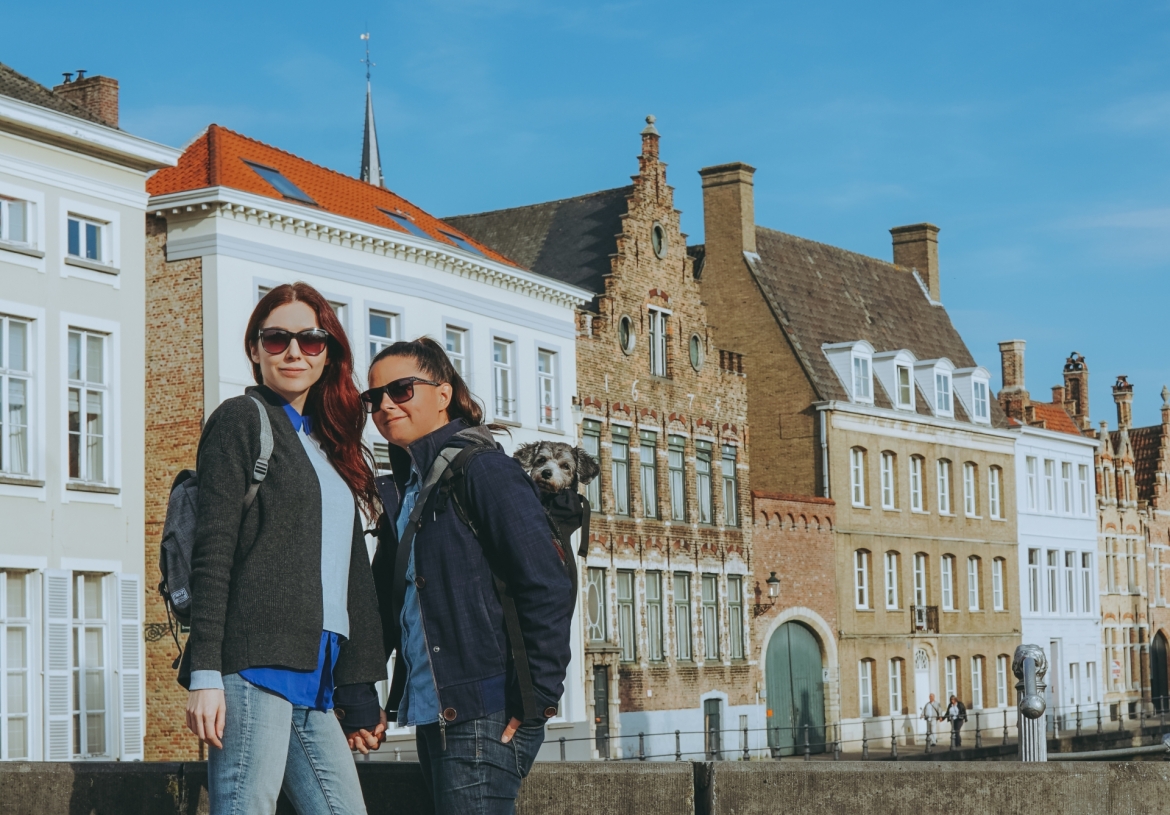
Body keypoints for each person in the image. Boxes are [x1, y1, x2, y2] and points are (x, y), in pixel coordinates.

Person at [184, 283, 387, 815]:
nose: (294, 352)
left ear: (328, 353)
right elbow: (214, 551)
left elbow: (352, 575)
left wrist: (359, 684)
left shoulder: (328, 443)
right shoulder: (241, 419)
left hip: (314, 673)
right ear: (255, 350)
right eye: (277, 339)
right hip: (254, 667)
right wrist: (205, 673)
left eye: (310, 340)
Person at [366, 337, 573, 815]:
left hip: (486, 713)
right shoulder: (416, 485)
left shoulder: (484, 470)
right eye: (373, 397)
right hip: (438, 713)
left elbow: (546, 582)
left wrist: (538, 701)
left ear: (443, 394)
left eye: (400, 389)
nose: (384, 405)